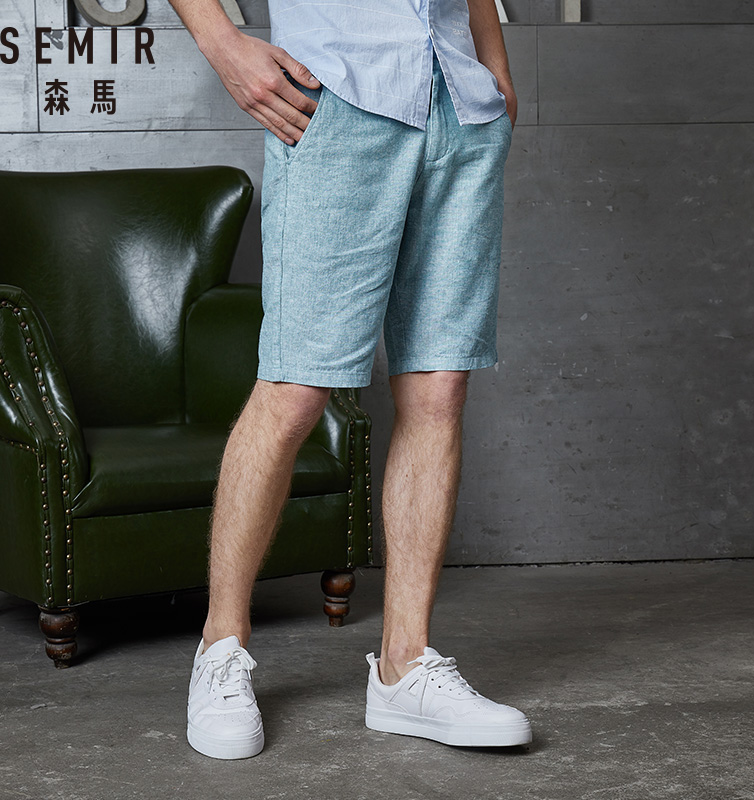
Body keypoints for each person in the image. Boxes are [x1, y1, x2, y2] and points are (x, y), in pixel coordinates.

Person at [168, 0, 531, 759]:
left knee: (439, 391)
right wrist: (222, 42)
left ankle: (404, 667)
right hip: (336, 102)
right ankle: (220, 649)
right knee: (295, 390)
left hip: (457, 106)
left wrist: (493, 69)